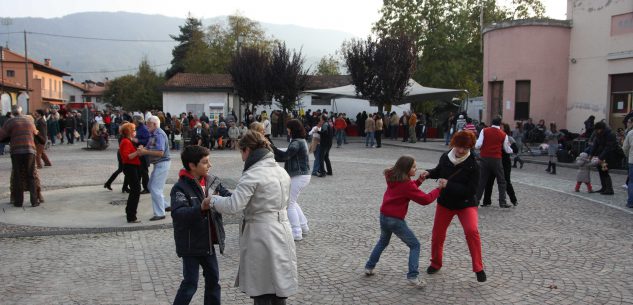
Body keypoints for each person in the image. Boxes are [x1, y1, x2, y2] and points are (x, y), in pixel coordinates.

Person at [211, 130, 298, 305]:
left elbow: (233, 205)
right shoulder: (281, 171)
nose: (242, 158)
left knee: (262, 288)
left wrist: (212, 200)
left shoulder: (253, 174)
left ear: (247, 150)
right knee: (278, 287)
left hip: (261, 233)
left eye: (241, 153)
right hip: (283, 230)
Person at [364, 155, 442, 288]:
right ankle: (413, 276)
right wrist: (439, 189)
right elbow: (425, 199)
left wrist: (419, 181)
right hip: (395, 220)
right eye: (413, 167)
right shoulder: (406, 184)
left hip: (384, 215)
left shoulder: (392, 176)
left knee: (383, 241)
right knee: (415, 245)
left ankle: (369, 267)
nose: (416, 169)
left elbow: (406, 190)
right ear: (406, 168)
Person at [421, 130, 487, 282]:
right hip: (446, 203)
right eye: (459, 146)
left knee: (472, 231)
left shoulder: (475, 164)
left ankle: (478, 267)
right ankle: (436, 263)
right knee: (437, 234)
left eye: (465, 147)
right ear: (454, 144)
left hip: (465, 204)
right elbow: (439, 171)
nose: (461, 150)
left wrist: (449, 184)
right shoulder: (446, 157)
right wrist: (428, 173)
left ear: (470, 147)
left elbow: (472, 190)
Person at [170, 145, 230, 305]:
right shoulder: (180, 188)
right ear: (192, 165)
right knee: (190, 284)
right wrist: (201, 208)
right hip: (191, 245)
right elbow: (178, 214)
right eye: (205, 162)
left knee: (213, 280)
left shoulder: (213, 182)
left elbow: (231, 198)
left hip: (208, 243)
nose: (209, 166)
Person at [271, 119, 311, 241]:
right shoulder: (300, 141)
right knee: (293, 202)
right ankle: (304, 226)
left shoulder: (296, 143)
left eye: (288, 128)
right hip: (302, 175)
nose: (287, 130)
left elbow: (285, 156)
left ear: (292, 129)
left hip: (299, 176)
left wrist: (271, 147)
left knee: (289, 205)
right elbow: (286, 154)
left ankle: (296, 232)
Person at [0, 106, 41, 207]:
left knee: (17, 176)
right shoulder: (29, 121)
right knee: (31, 175)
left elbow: (2, 135)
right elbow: (36, 133)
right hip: (30, 150)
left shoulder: (10, 122)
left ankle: (18, 202)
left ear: (12, 113)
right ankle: (34, 201)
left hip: (16, 151)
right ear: (21, 112)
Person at [138, 116, 171, 221]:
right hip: (160, 164)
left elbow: (160, 153)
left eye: (148, 124)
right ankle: (165, 205)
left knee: (155, 188)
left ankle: (160, 213)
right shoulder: (153, 134)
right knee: (151, 186)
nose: (146, 125)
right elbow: (149, 147)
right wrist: (143, 148)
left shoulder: (159, 134)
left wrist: (145, 151)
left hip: (162, 163)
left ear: (155, 124)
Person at [475, 117, 514, 208]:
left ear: (491, 123)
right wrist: (512, 150)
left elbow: (478, 145)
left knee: (482, 180)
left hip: (484, 158)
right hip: (496, 159)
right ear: (500, 124)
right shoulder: (503, 134)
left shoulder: (484, 131)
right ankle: (502, 202)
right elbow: (507, 150)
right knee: (501, 181)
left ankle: (476, 200)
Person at [482, 123, 518, 206]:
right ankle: (486, 201)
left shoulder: (509, 138)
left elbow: (515, 149)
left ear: (505, 129)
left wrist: (508, 147)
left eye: (501, 127)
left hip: (504, 163)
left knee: (506, 181)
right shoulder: (493, 137)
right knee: (489, 181)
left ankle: (514, 200)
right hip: (494, 161)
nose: (499, 128)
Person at [119, 122, 142, 223]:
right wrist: (137, 152)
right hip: (130, 167)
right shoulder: (125, 141)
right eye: (133, 130)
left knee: (135, 190)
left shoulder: (128, 141)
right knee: (135, 190)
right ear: (129, 132)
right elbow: (127, 156)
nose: (135, 132)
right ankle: (131, 215)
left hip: (132, 167)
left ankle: (130, 212)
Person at [590, 121, 617, 195]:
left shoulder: (610, 134)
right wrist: (591, 155)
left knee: (605, 171)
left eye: (597, 129)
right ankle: (603, 187)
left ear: (602, 128)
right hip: (600, 156)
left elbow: (608, 148)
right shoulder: (597, 134)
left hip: (606, 156)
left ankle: (609, 189)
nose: (596, 131)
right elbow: (595, 145)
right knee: (601, 171)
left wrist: (601, 157)